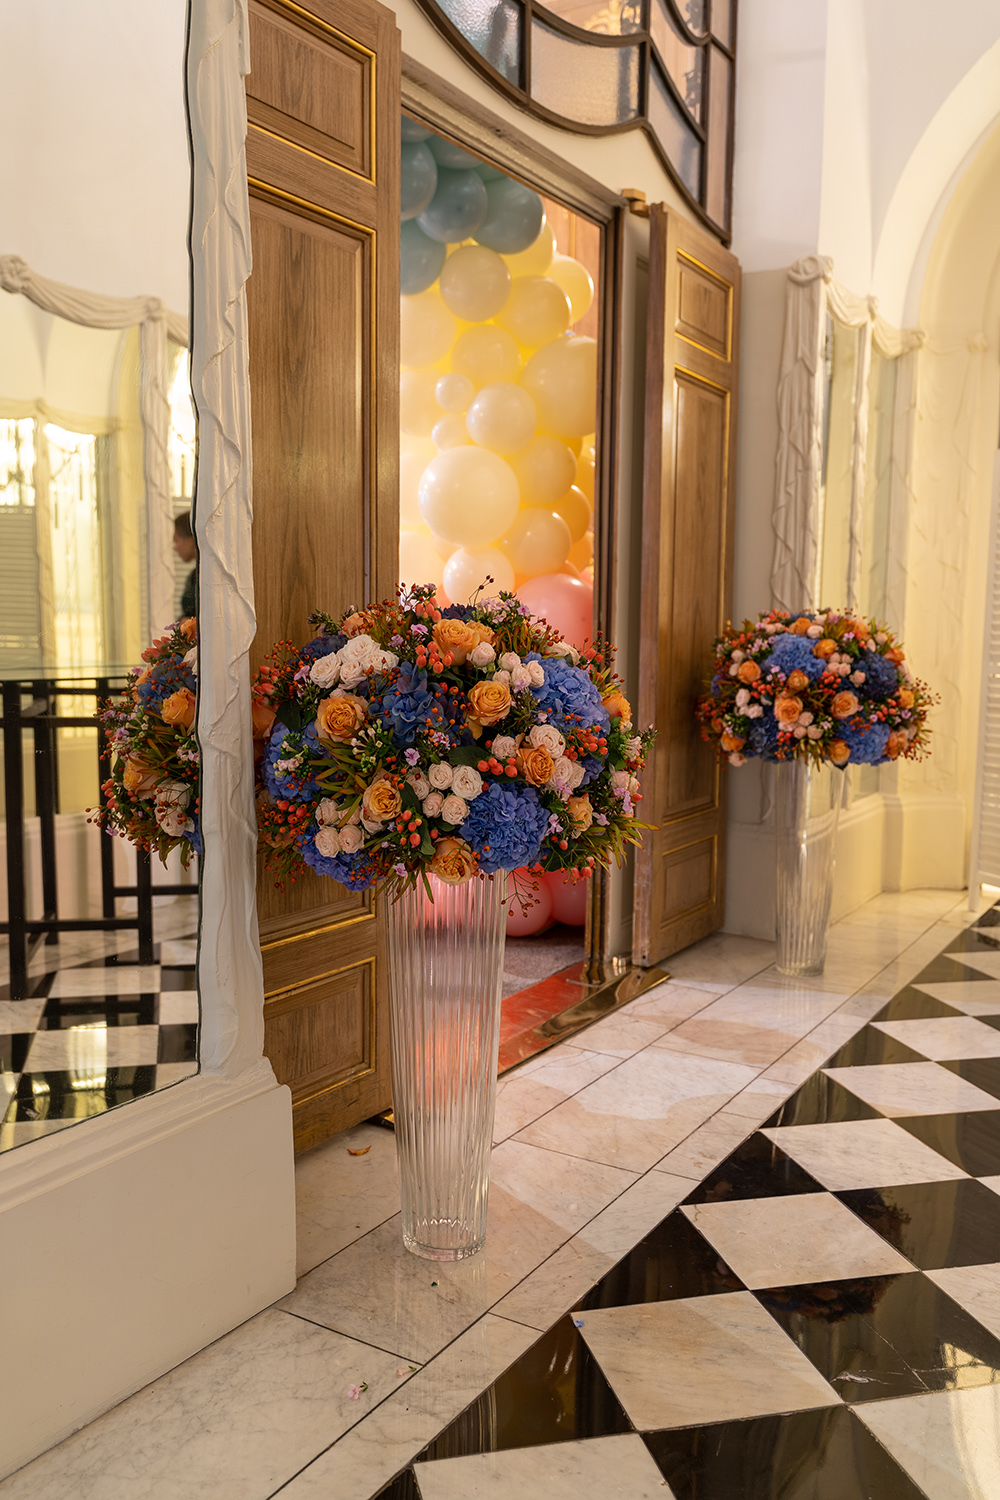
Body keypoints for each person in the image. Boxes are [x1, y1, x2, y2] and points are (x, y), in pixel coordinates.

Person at [173, 512, 197, 619]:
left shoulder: (209, 575)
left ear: (191, 540)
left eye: (176, 540)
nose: (175, 548)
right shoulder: (193, 575)